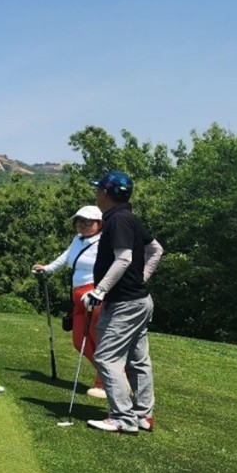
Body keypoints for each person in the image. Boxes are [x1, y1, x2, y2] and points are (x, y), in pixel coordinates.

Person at [83, 171, 165, 434]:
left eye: (98, 190)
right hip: (140, 300)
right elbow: (156, 250)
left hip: (124, 303)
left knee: (106, 357)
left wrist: (100, 290)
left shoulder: (117, 220)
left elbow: (124, 258)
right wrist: (141, 278)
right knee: (138, 361)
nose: (96, 194)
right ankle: (143, 415)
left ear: (105, 193)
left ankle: (122, 417)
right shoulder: (129, 217)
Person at [33, 205, 106, 399]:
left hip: (94, 294)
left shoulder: (104, 241)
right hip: (77, 296)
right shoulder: (77, 239)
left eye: (88, 222)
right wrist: (48, 269)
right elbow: (66, 257)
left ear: (99, 223)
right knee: (79, 341)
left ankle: (105, 383)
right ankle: (113, 377)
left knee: (98, 340)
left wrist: (99, 292)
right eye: (79, 221)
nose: (82, 225)